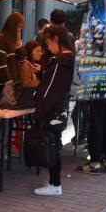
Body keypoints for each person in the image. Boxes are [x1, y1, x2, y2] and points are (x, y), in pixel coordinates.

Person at [33, 26, 75, 196]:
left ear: (56, 39)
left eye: (48, 43)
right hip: (61, 108)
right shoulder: (71, 58)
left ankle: (55, 185)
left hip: (53, 109)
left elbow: (50, 89)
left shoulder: (61, 61)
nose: (48, 48)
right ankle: (53, 181)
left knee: (52, 145)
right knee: (55, 143)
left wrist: (39, 112)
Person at [0, 12, 26, 97]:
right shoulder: (1, 39)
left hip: (15, 84)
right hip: (3, 85)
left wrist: (19, 45)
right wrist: (9, 83)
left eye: (21, 28)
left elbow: (22, 59)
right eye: (18, 28)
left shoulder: (13, 42)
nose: (19, 31)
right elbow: (1, 65)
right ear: (13, 27)